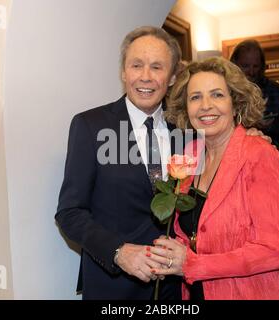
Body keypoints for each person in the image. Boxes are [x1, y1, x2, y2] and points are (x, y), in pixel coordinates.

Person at [148, 57, 279, 300]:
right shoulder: (189, 157)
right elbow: (194, 234)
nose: (205, 105)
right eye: (195, 97)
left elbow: (273, 251)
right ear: (186, 108)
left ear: (236, 104)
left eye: (217, 95)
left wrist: (192, 264)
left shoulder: (260, 156)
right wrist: (171, 255)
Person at [55, 26, 183, 300]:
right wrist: (119, 252)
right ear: (123, 72)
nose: (145, 76)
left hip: (175, 289)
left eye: (157, 67)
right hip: (112, 286)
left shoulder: (185, 132)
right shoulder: (91, 126)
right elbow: (69, 212)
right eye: (136, 65)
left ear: (172, 77)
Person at [230, 39, 279, 148]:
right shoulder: (226, 90)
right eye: (245, 66)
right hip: (234, 155)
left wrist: (268, 126)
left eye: (255, 66)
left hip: (267, 155)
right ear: (234, 64)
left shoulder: (273, 89)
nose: (251, 72)